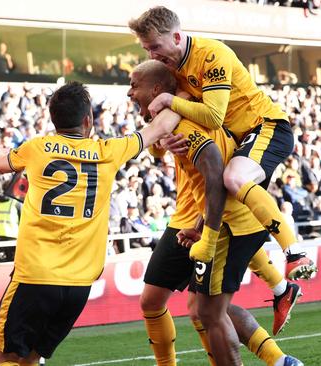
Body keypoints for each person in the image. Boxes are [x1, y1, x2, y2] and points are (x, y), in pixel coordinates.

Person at [0, 81, 180, 366]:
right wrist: (187, 95)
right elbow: (161, 127)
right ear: (88, 119)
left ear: (53, 119)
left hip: (35, 276)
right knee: (30, 359)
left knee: (1, 360)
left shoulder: (37, 148)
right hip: (78, 286)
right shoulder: (110, 151)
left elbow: (0, 164)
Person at [130, 61, 302, 366]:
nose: (129, 92)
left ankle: (285, 279)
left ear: (157, 90)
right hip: (207, 216)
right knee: (203, 308)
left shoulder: (180, 117)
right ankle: (281, 358)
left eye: (134, 85)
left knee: (190, 307)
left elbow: (213, 170)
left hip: (205, 219)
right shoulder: (184, 110)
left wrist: (204, 231)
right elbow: (163, 148)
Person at [129, 6, 316, 280]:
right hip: (240, 140)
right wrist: (165, 139)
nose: (152, 55)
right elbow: (169, 123)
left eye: (155, 46)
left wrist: (169, 100)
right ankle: (280, 288)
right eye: (147, 49)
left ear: (177, 38)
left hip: (266, 126)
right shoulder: (175, 69)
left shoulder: (211, 54)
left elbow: (214, 117)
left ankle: (296, 254)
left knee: (233, 178)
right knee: (225, 193)